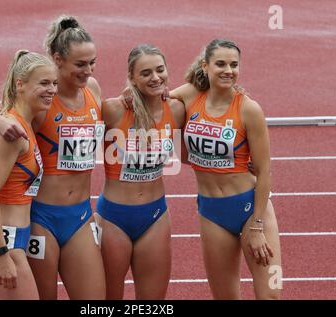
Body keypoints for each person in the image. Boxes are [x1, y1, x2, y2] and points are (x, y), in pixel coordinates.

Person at [0, 15, 106, 300]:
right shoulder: (38, 99)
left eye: (92, 63)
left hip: (79, 214)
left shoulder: (93, 90)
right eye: (80, 64)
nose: (88, 71)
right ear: (58, 60)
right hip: (40, 219)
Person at [172, 39, 282, 299]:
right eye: (220, 64)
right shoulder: (189, 96)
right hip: (212, 212)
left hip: (251, 209)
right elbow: (157, 96)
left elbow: (265, 171)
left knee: (271, 294)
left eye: (234, 65)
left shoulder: (249, 109)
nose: (228, 70)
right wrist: (129, 95)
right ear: (205, 65)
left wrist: (256, 226)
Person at [98, 44, 185, 299]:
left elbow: (206, 88)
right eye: (146, 73)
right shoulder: (113, 110)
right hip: (113, 217)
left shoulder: (177, 110)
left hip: (154, 216)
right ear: (132, 77)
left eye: (160, 70)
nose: (155, 77)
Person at [0, 49, 58, 299]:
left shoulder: (22, 119)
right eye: (44, 83)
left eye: (54, 83)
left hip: (10, 238)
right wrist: (2, 255)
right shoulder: (11, 131)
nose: (52, 89)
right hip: (4, 244)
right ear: (20, 84)